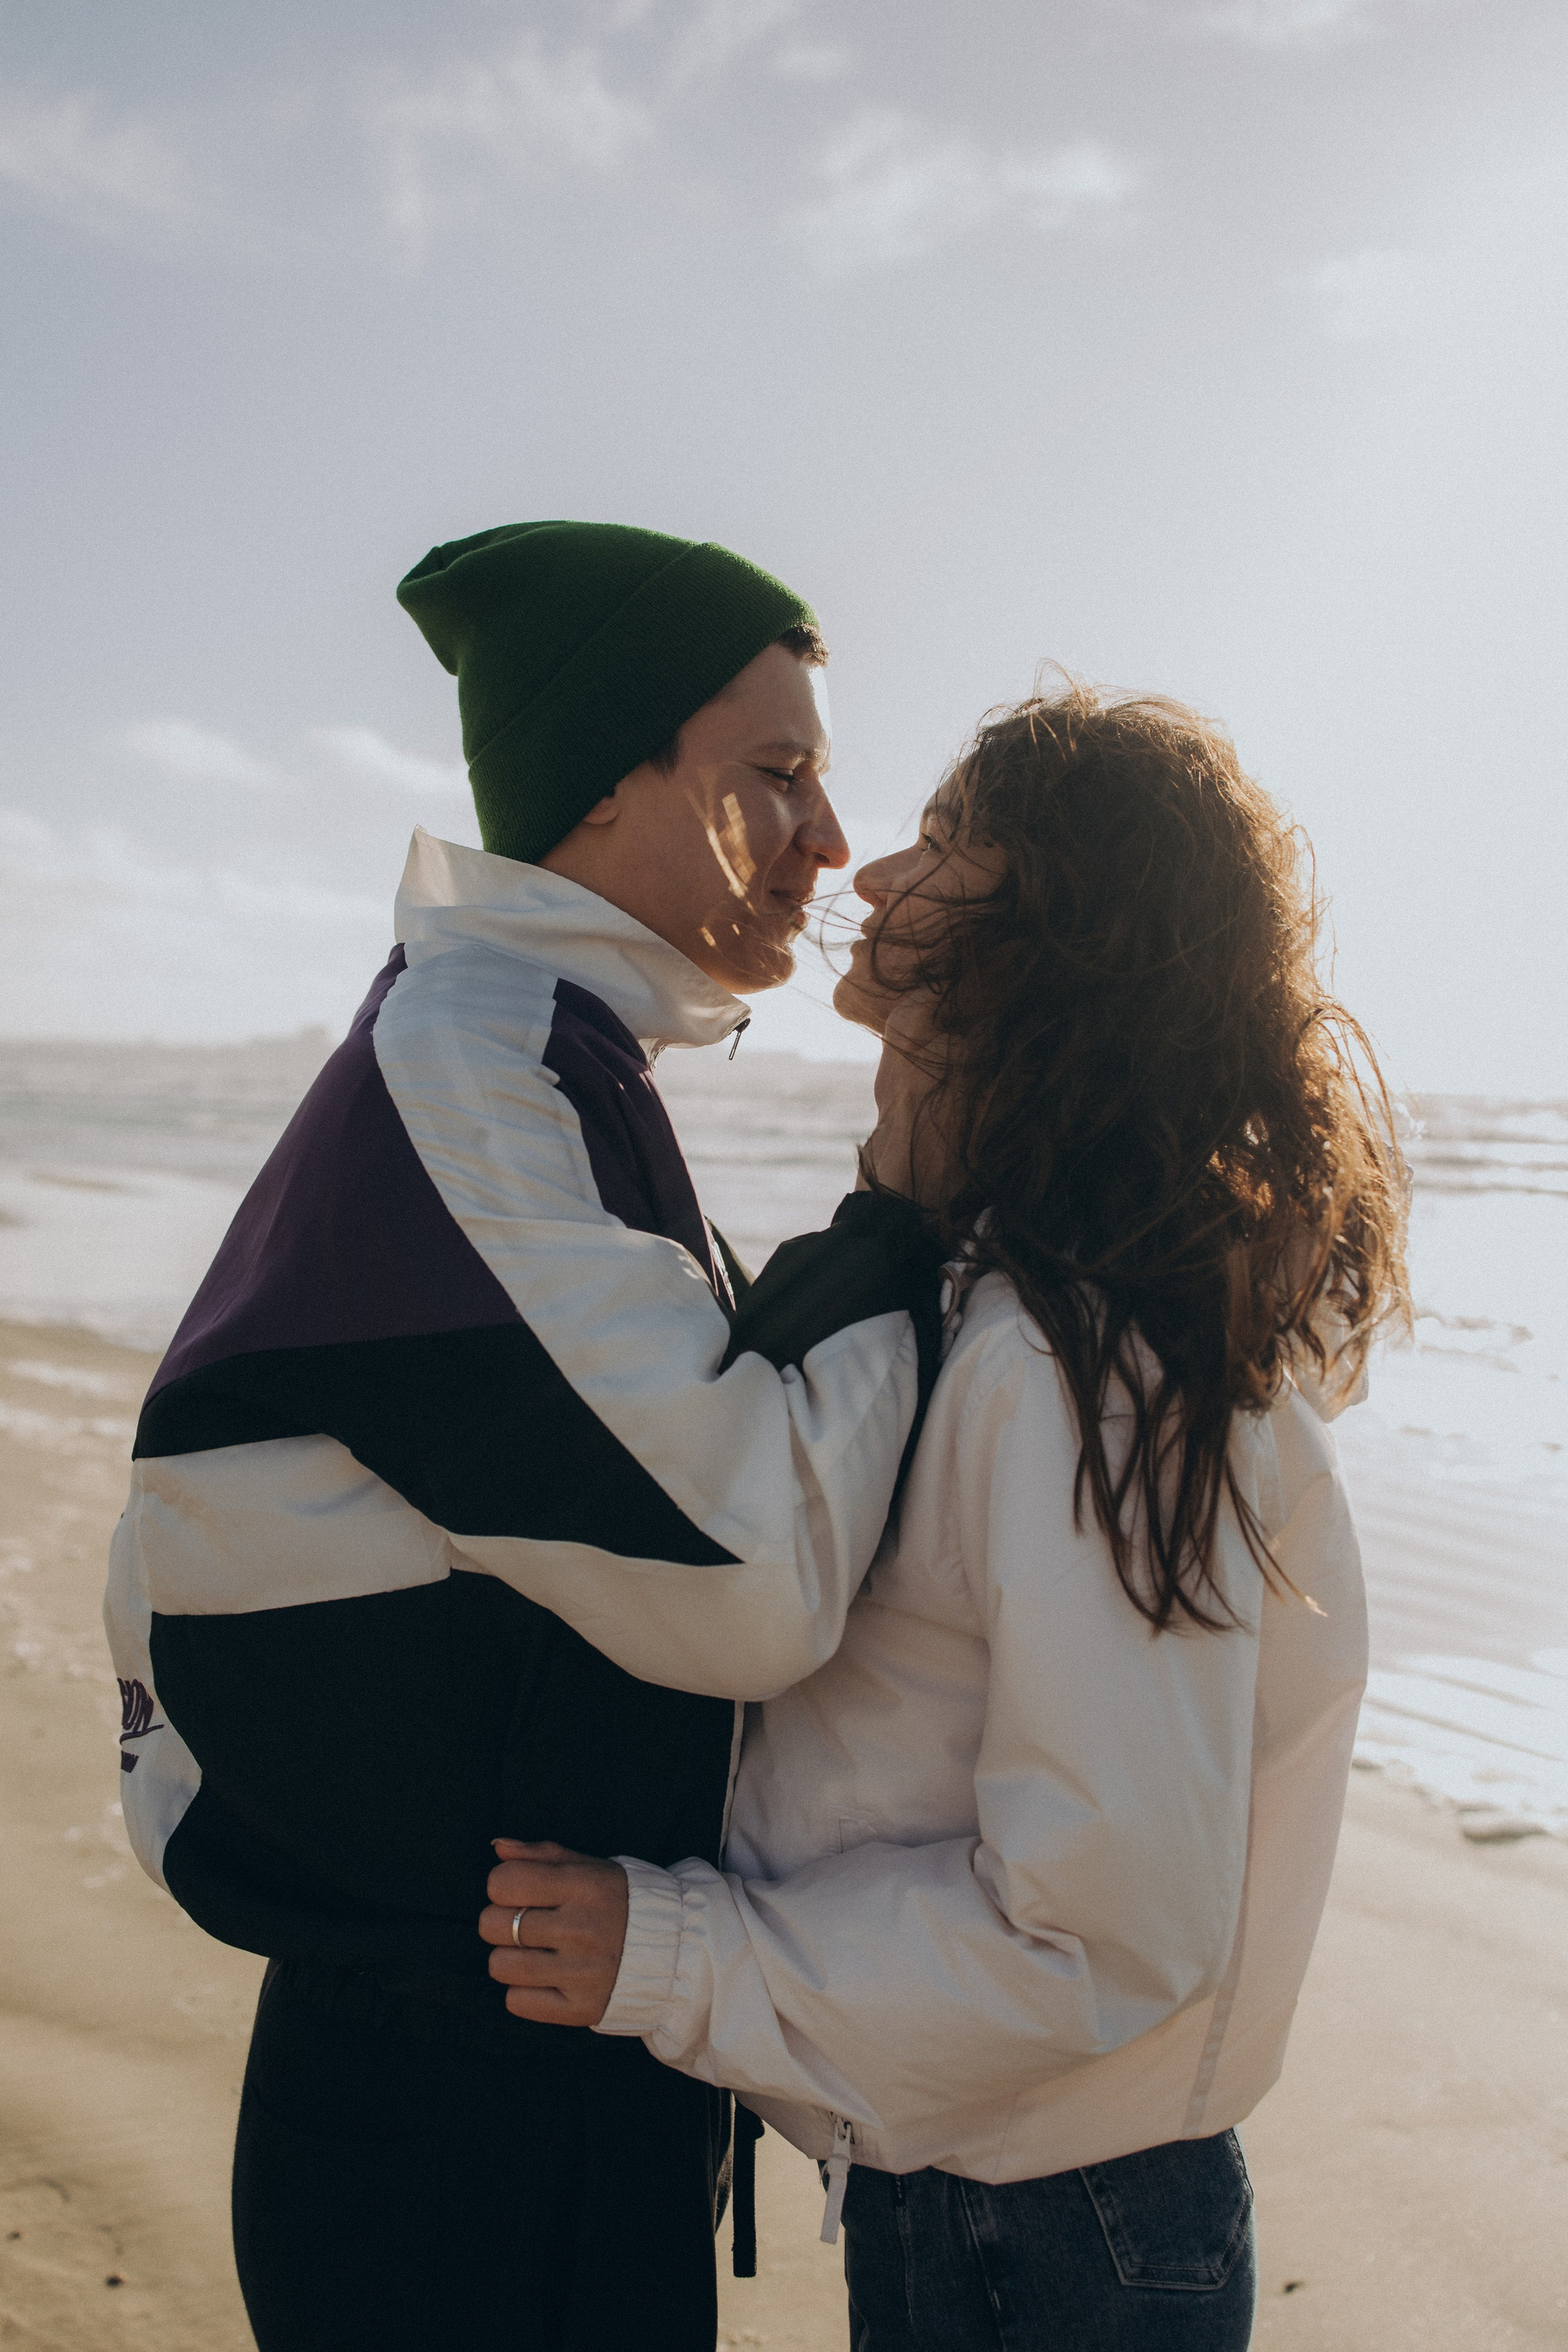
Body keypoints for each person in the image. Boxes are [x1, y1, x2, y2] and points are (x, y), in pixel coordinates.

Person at [474, 682, 1410, 2350]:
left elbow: (1098, 1933)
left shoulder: (1080, 1360)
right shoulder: (1000, 1295)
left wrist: (674, 1957)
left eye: (952, 838)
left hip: (1055, 2227)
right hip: (990, 2177)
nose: (878, 870)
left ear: (1066, 931)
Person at [103, 521, 944, 2352]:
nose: (832, 841)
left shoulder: (545, 1049)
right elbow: (749, 1579)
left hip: (514, 2067)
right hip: (452, 2131)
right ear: (603, 783)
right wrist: (903, 1228)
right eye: (775, 774)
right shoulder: (478, 1063)